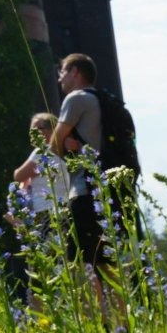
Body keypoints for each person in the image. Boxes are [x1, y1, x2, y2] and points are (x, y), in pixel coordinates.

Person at [46, 53, 118, 277]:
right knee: (107, 262)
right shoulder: (104, 100)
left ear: (75, 71)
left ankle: (95, 303)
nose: (59, 79)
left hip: (84, 190)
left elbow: (53, 146)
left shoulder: (75, 98)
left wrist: (64, 144)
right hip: (109, 188)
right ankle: (119, 302)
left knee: (80, 262)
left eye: (62, 72)